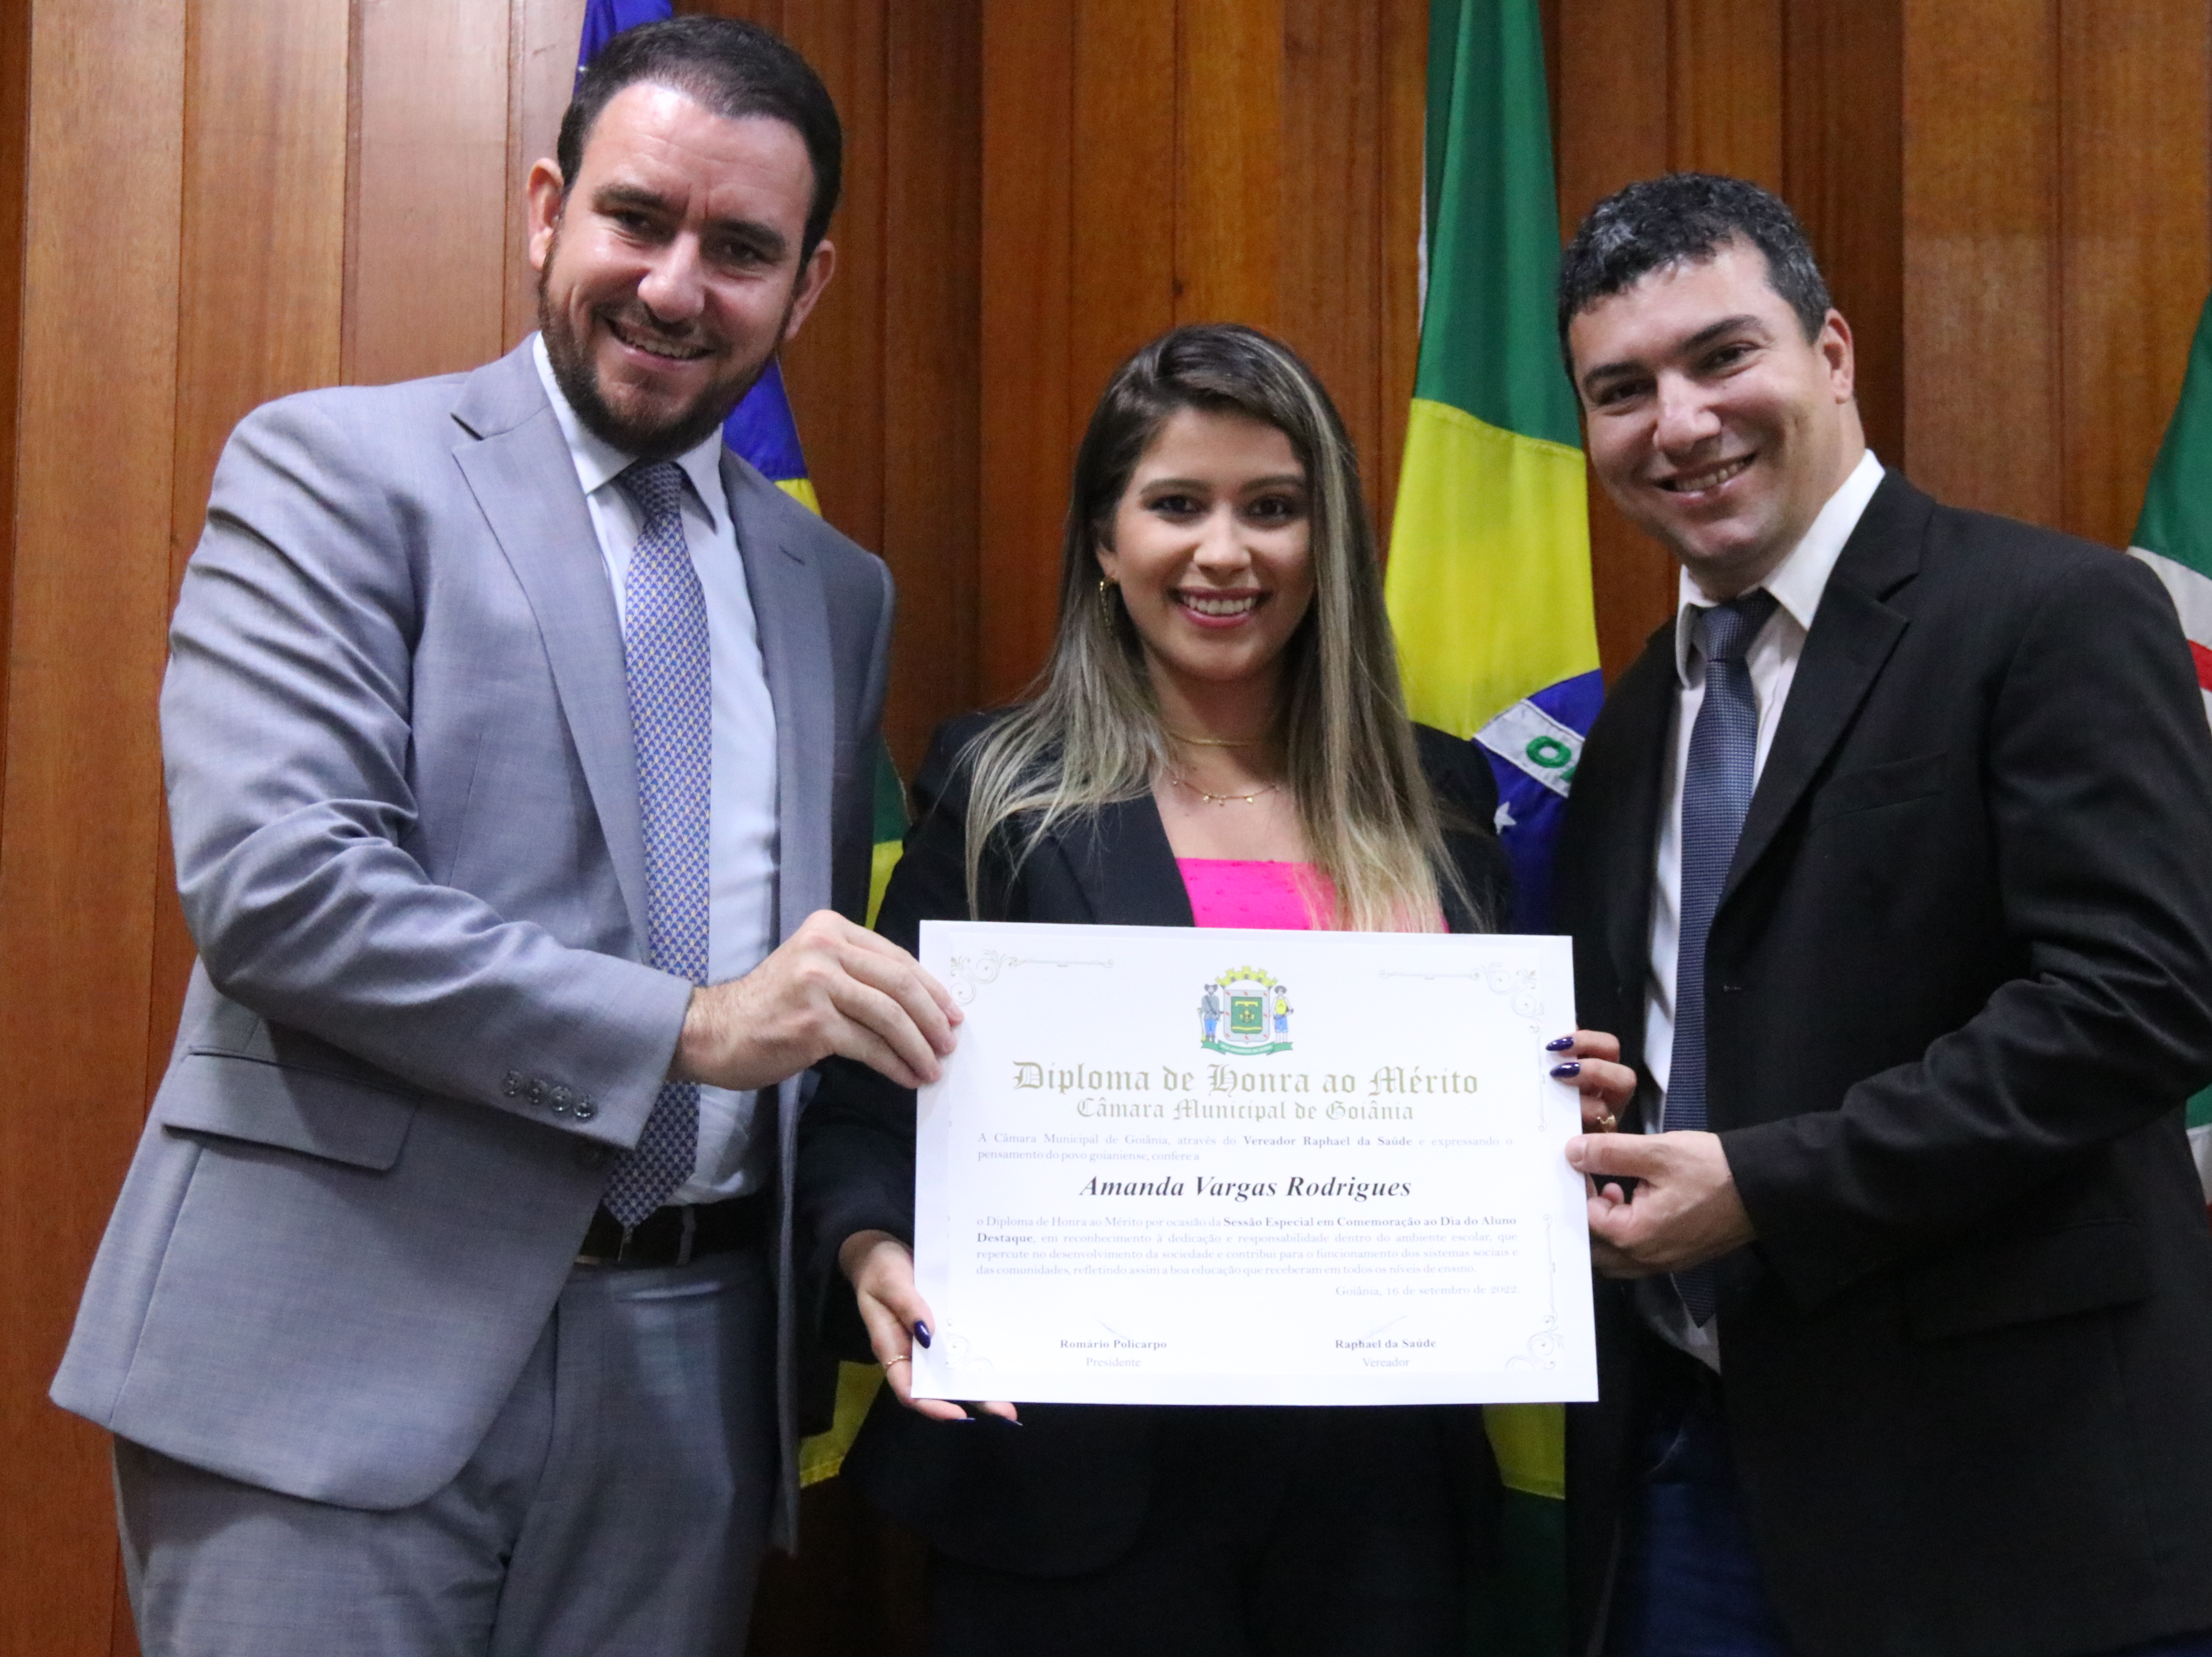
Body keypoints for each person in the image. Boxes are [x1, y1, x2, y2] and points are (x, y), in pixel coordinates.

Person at [49, 18, 959, 1655]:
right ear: (549, 207)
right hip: (335, 1350)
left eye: (740, 249)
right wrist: (693, 1027)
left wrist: (862, 1230)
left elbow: (814, 1007)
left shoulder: (838, 591)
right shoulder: (335, 470)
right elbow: (283, 889)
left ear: (807, 285)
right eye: (638, 219)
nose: (676, 286)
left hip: (691, 1373)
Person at [1543, 175, 2212, 1657]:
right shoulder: (1630, 727)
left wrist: (1765, 1184)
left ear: (1832, 353)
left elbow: (2139, 1005)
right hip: (1693, 1478)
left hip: (2012, 1506)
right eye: (1622, 390)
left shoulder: (2051, 613)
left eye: (1722, 356)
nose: (1679, 423)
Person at [799, 322, 1509, 1657]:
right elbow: (864, 1109)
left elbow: (1492, 1122)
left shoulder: (1441, 799)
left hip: (1374, 1512)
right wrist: (867, 1244)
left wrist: (1559, 1106)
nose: (1225, 552)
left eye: (1274, 508)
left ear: (1331, 541)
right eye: (1177, 505)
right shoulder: (999, 794)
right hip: (1069, 1502)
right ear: (1105, 544)